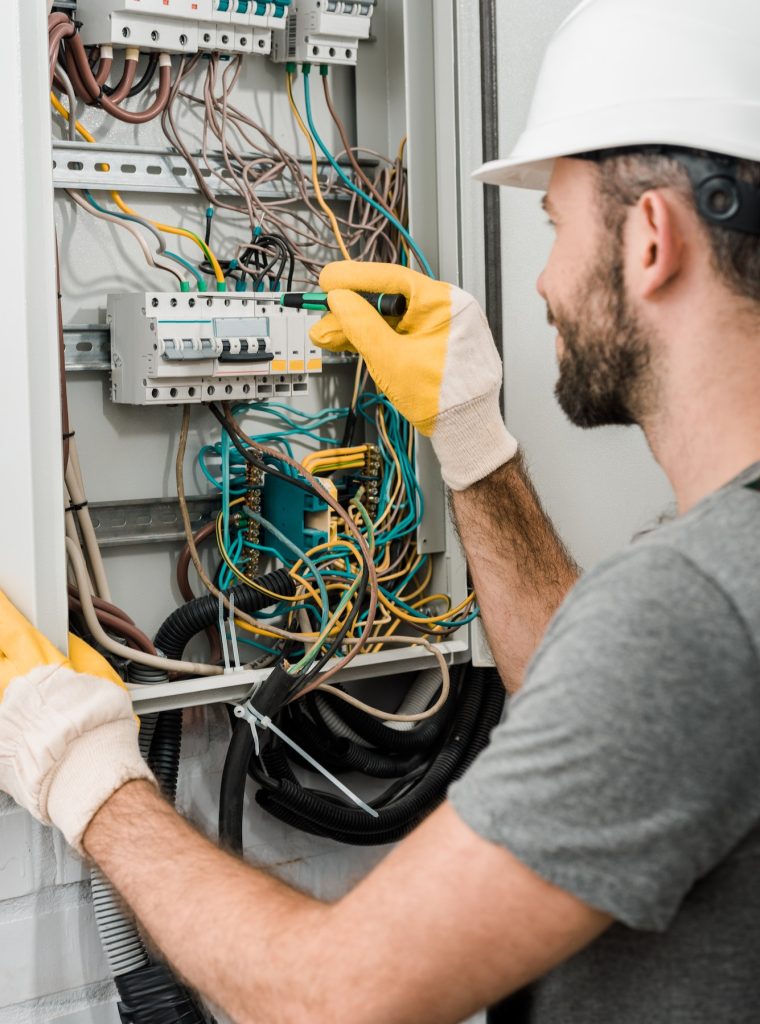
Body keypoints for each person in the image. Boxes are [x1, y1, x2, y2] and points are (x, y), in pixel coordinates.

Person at [3, 0, 760, 1019]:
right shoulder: (721, 569)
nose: (536, 280)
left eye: (555, 228)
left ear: (651, 241)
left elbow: (334, 995)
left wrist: (80, 769)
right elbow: (595, 703)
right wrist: (472, 440)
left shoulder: (692, 602)